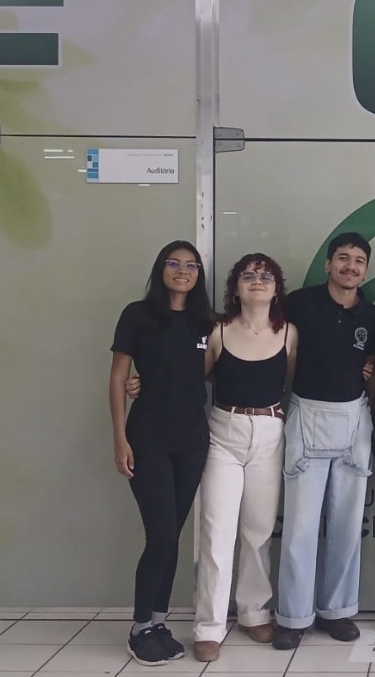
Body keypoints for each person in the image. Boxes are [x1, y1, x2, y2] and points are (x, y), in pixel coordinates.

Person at [271, 233, 375, 650]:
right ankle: (293, 616)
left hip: (354, 418)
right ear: (328, 263)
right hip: (307, 414)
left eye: (358, 261)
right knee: (300, 526)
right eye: (343, 258)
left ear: (365, 270)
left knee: (346, 525)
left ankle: (337, 610)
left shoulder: (372, 316)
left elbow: (373, 365)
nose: (350, 266)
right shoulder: (299, 304)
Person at [109, 240, 216, 667]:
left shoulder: (205, 322)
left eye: (191, 265)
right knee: (161, 536)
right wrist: (120, 438)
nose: (182, 271)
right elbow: (118, 378)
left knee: (172, 537)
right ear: (161, 269)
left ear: (199, 275)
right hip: (148, 438)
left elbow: (209, 371)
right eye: (174, 263)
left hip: (192, 440)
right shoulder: (137, 315)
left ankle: (158, 622)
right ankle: (139, 628)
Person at [192, 254, 298, 662]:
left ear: (277, 288)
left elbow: (292, 379)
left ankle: (254, 613)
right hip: (223, 433)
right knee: (217, 532)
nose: (258, 280)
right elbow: (198, 376)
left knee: (258, 531)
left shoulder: (289, 333)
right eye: (248, 275)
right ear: (235, 288)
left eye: (266, 275)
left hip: (270, 432)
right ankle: (209, 626)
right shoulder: (218, 331)